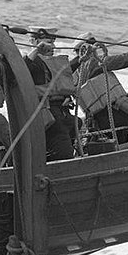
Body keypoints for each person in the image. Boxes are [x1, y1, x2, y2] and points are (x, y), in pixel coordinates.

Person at [23, 26, 78, 161]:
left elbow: (65, 71)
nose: (52, 46)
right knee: (64, 153)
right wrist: (36, 51)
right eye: (49, 42)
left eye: (53, 42)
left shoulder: (48, 62)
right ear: (35, 41)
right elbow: (22, 72)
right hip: (48, 117)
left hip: (61, 114)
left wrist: (80, 59)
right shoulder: (32, 61)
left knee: (76, 127)